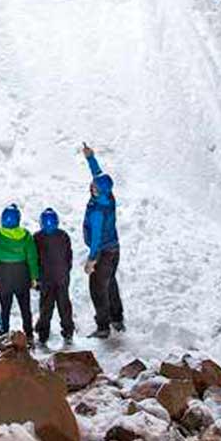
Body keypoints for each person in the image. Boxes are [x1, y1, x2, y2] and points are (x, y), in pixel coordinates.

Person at [81, 143, 124, 338]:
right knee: (110, 283)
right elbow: (98, 174)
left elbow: (96, 239)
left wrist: (91, 260)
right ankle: (117, 318)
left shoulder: (98, 211)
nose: (92, 185)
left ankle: (103, 327)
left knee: (97, 289)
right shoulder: (109, 196)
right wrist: (90, 158)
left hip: (103, 252)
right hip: (115, 249)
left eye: (94, 186)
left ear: (97, 191)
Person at [0, 203, 40, 340]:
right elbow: (32, 258)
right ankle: (28, 333)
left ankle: (4, 331)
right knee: (25, 306)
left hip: (4, 276)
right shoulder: (26, 236)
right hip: (22, 275)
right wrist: (34, 277)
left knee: (5, 307)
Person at [33, 207, 74, 345]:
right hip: (62, 277)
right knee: (64, 305)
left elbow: (34, 260)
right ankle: (68, 331)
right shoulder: (64, 236)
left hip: (46, 279)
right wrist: (66, 271)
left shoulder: (37, 237)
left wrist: (36, 278)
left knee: (46, 306)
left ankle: (43, 334)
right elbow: (69, 257)